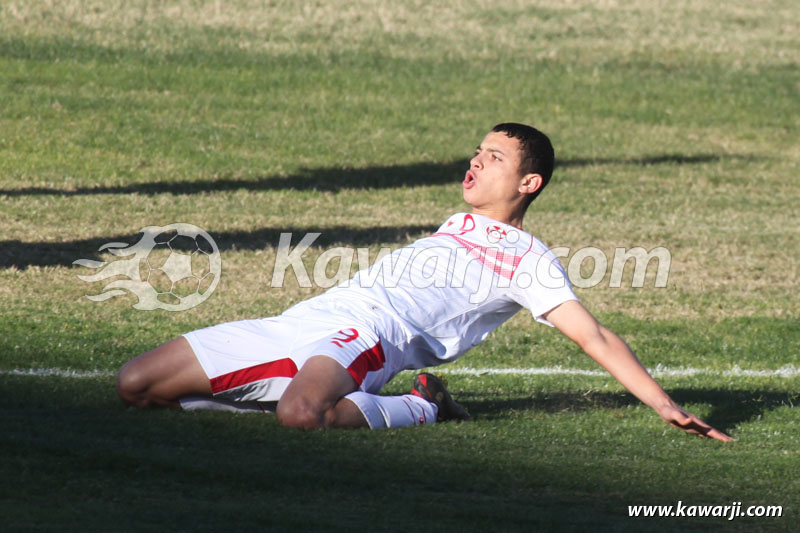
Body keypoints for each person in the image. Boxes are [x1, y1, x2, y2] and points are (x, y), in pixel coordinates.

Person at [116, 123, 732, 441]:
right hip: (308, 317)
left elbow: (593, 335)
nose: (476, 161)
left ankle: (423, 406)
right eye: (477, 152)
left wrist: (664, 404)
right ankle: (287, 398)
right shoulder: (459, 222)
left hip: (366, 336)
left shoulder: (529, 259)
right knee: (137, 386)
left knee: (303, 417)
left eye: (494, 158)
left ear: (529, 184)